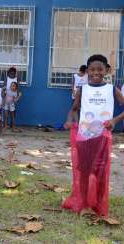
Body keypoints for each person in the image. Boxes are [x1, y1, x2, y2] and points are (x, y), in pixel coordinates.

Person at [62, 54, 124, 217]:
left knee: (101, 172)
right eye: (92, 69)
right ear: (87, 71)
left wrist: (115, 120)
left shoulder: (111, 89)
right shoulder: (82, 90)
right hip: (84, 137)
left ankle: (99, 204)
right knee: (83, 171)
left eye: (100, 69)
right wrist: (70, 120)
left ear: (107, 71)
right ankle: (82, 201)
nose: (96, 72)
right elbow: (74, 109)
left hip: (102, 137)